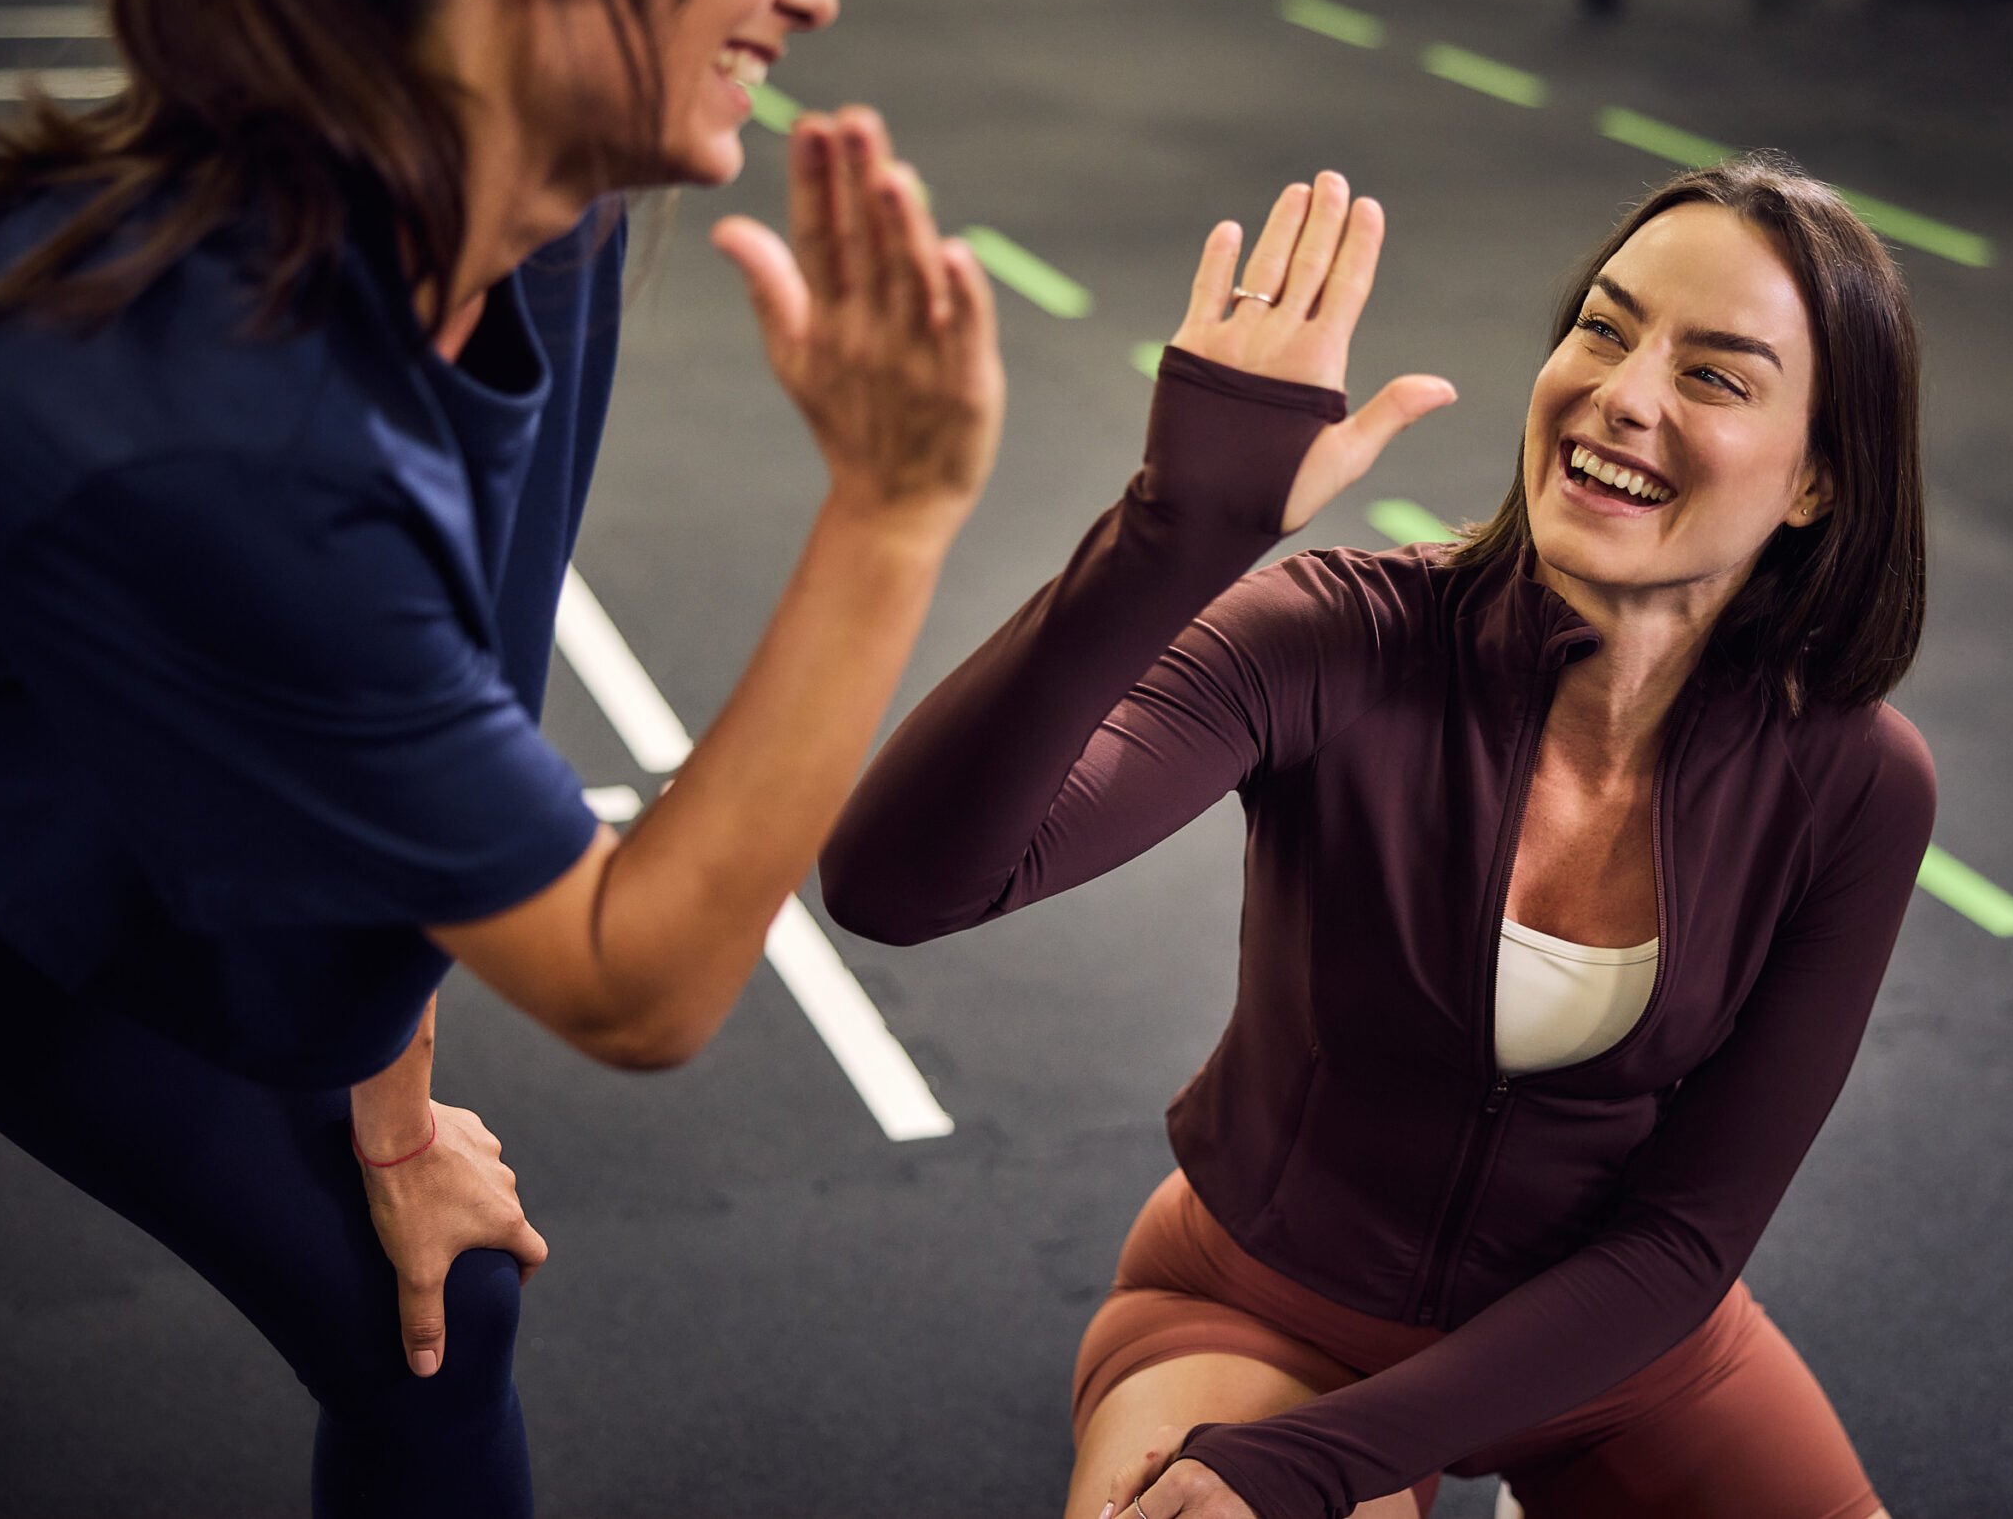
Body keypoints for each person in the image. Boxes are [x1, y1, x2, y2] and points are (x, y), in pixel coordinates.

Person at [0, 0, 1003, 1511]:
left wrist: (398, 1123)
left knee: (438, 1310)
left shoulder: (543, 231)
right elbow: (634, 981)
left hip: (6, 785)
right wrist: (891, 515)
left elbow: (463, 667)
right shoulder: (227, 419)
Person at [823, 156, 1935, 1519]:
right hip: (1264, 1311)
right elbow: (897, 888)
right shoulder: (1336, 641)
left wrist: (1315, 1470)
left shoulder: (1859, 785)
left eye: (1714, 375)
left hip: (1610, 1343)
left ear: (1817, 480)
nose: (1623, 392)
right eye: (1603, 325)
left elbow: (1682, 1241)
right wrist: (1173, 537)